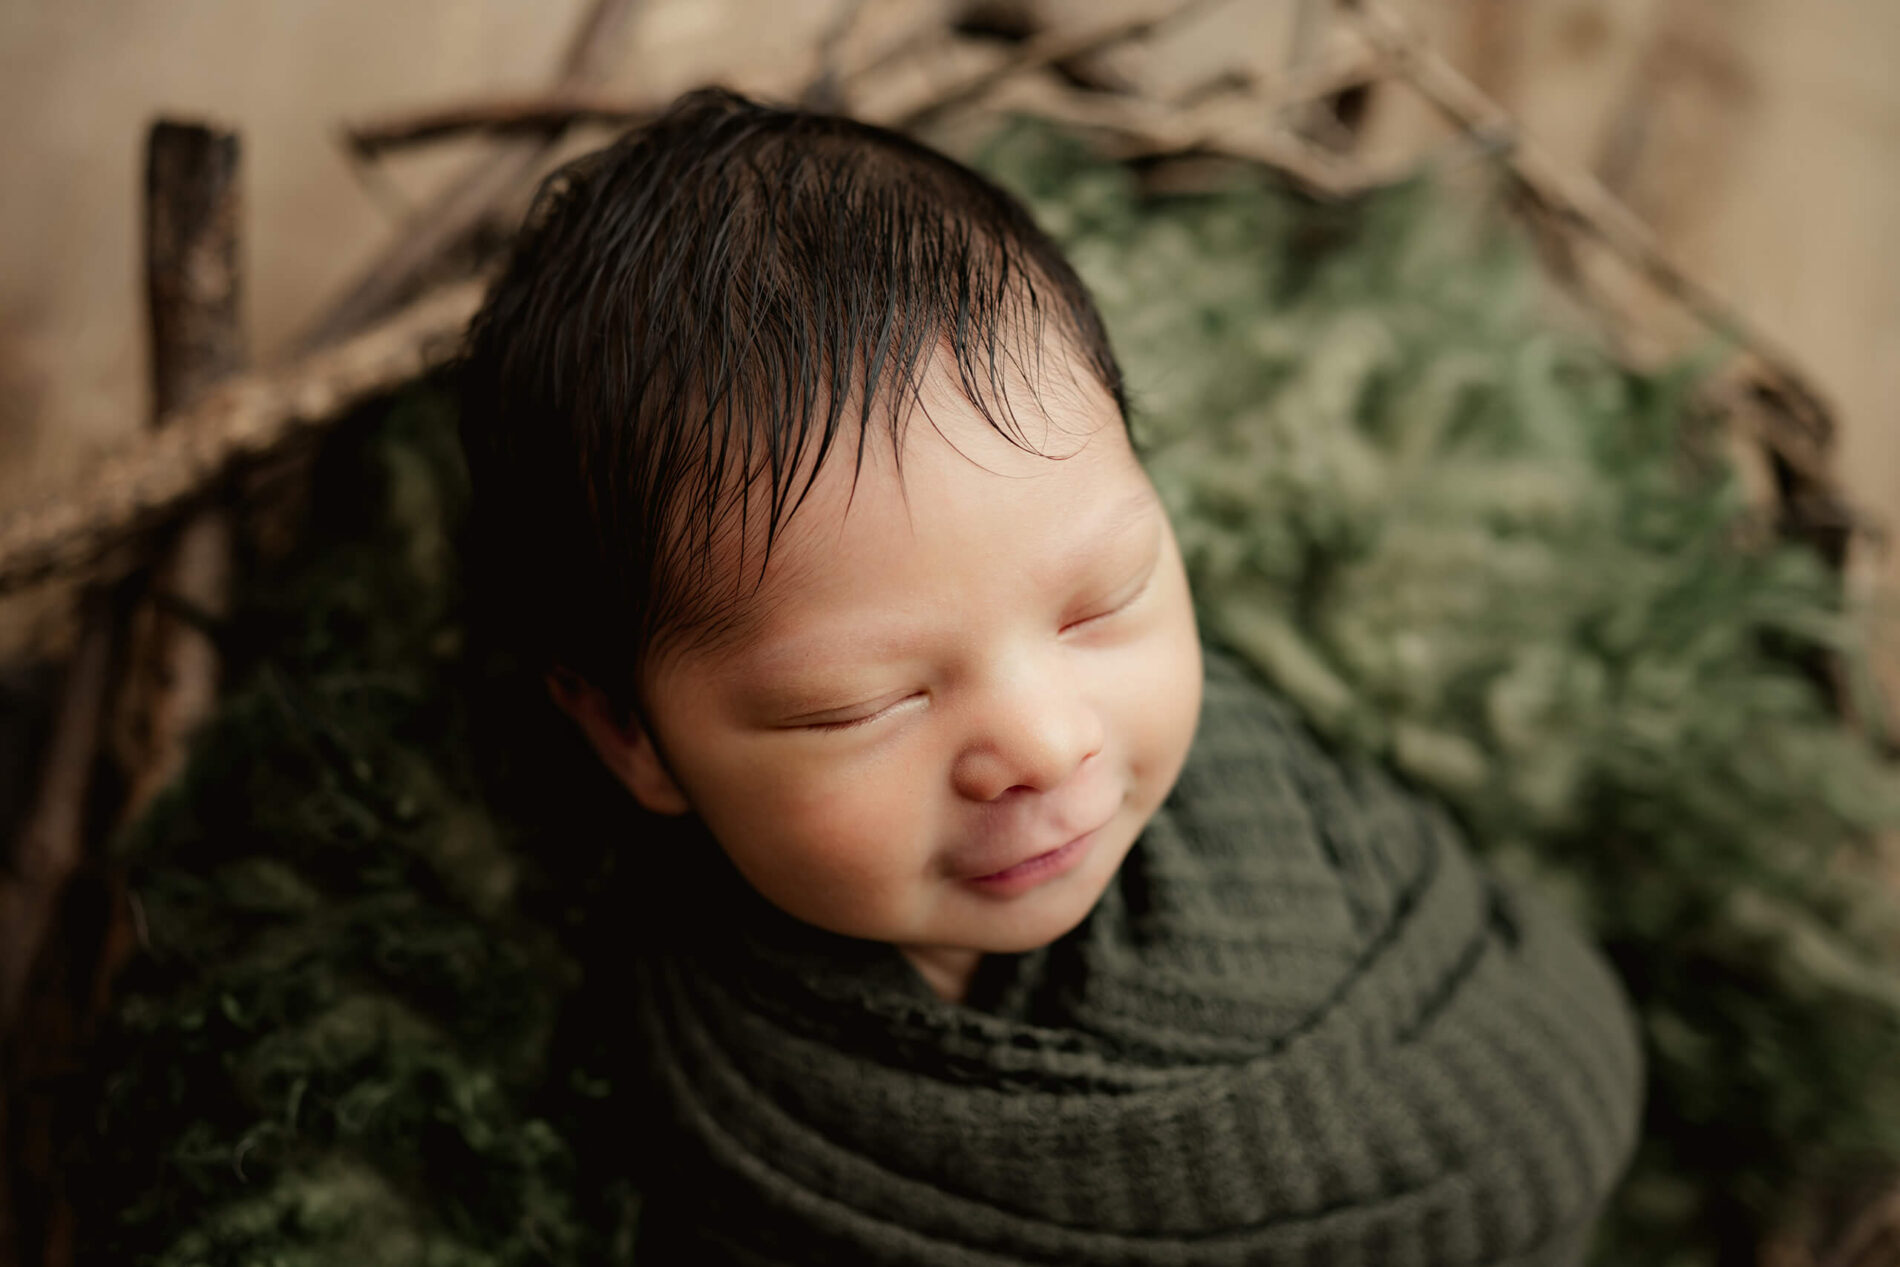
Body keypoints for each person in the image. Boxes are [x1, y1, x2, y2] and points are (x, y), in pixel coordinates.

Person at [456, 87, 1644, 1266]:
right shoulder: (700, 1084)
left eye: (1103, 600)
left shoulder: (1287, 826)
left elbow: (1544, 1057)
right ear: (631, 737)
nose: (1041, 740)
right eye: (865, 702)